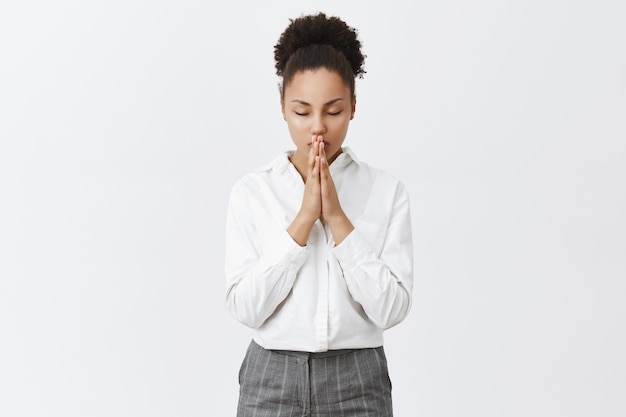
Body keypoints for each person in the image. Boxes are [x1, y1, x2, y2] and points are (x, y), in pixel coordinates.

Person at [224, 12, 414, 417]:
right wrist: (303, 220)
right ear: (282, 108)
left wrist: (339, 221)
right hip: (271, 376)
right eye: (302, 111)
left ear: (353, 108)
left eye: (333, 111)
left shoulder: (386, 191)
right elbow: (246, 308)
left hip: (357, 378)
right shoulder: (252, 192)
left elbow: (392, 309)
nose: (317, 129)